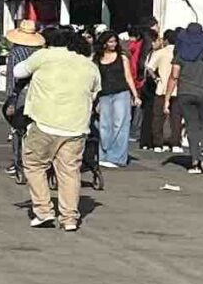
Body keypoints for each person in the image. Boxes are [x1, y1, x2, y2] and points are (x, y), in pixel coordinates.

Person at [14, 25, 99, 230]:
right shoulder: (88, 64)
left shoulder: (44, 56)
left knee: (34, 165)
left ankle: (44, 211)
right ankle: (69, 218)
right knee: (69, 172)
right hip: (76, 126)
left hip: (45, 122)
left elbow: (18, 71)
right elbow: (95, 92)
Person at [168, 20, 203, 174]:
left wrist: (167, 98)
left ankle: (194, 161)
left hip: (186, 92)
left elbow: (174, 75)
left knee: (191, 126)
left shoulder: (180, 52)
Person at [92, 30, 135, 169]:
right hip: (104, 94)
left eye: (115, 41)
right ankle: (103, 154)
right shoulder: (97, 58)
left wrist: (135, 94)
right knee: (104, 125)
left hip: (121, 92)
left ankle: (117, 157)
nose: (113, 44)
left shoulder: (122, 57)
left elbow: (128, 76)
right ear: (104, 43)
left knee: (121, 124)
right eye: (110, 42)